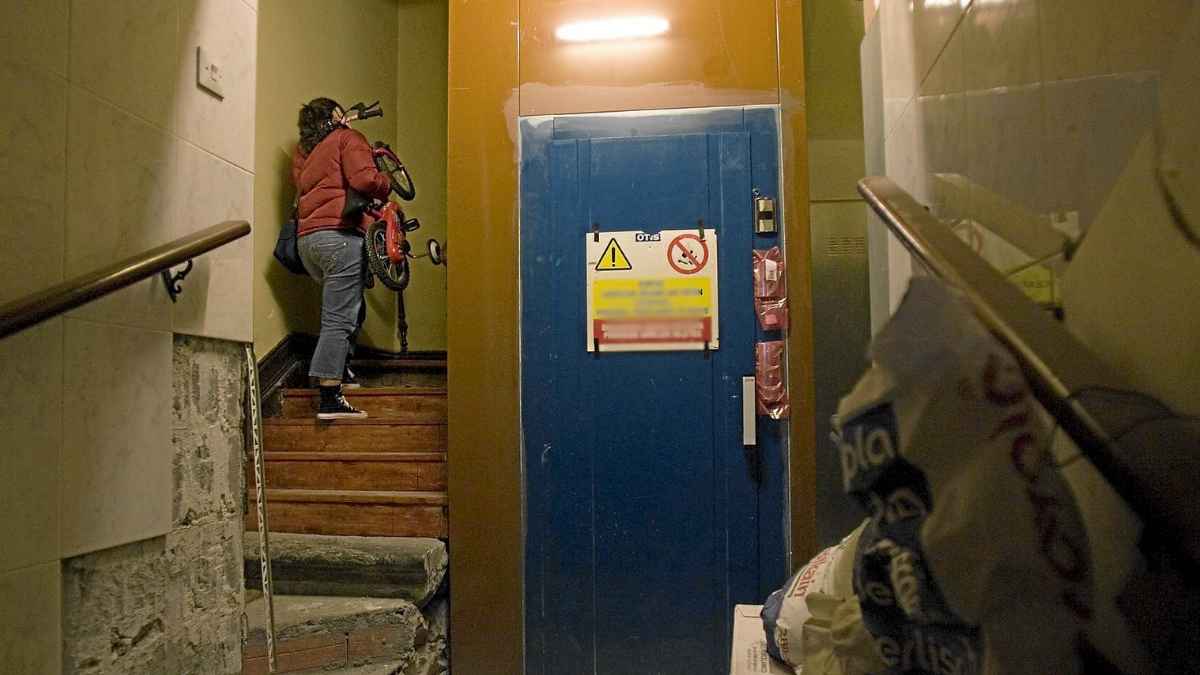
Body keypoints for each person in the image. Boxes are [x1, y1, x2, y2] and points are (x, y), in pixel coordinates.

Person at [292, 97, 391, 420]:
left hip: (308, 242)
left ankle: (339, 372)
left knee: (348, 307)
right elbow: (364, 180)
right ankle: (330, 395)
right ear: (336, 116)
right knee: (339, 319)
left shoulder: (304, 153)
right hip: (339, 236)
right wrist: (385, 182)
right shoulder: (348, 139)